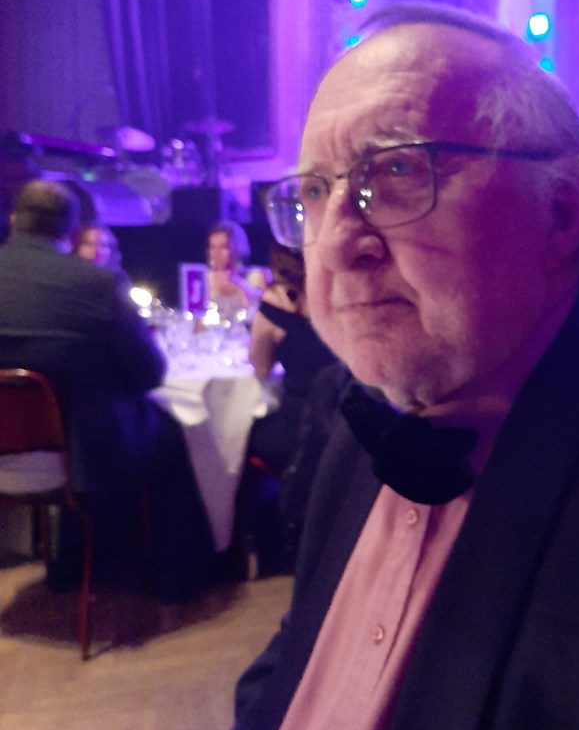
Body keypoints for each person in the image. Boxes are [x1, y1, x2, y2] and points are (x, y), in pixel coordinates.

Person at [53, 2, 579, 730]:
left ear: (561, 210)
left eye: (395, 172)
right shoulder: (350, 409)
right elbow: (287, 687)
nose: (334, 243)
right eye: (313, 192)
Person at [0, 180, 215, 604]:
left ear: (13, 220)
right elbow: (151, 373)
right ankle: (174, 582)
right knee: (174, 433)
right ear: (71, 231)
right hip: (84, 459)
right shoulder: (95, 284)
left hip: (8, 450)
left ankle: (71, 565)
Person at [241, 242, 336, 574]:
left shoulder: (274, 303)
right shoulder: (341, 291)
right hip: (346, 425)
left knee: (243, 438)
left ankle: (263, 551)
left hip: (300, 428)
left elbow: (261, 366)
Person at [206, 220, 259, 320]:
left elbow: (254, 317)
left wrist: (240, 285)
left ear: (237, 248)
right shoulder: (203, 280)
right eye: (212, 247)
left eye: (223, 247)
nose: (216, 253)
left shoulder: (253, 277)